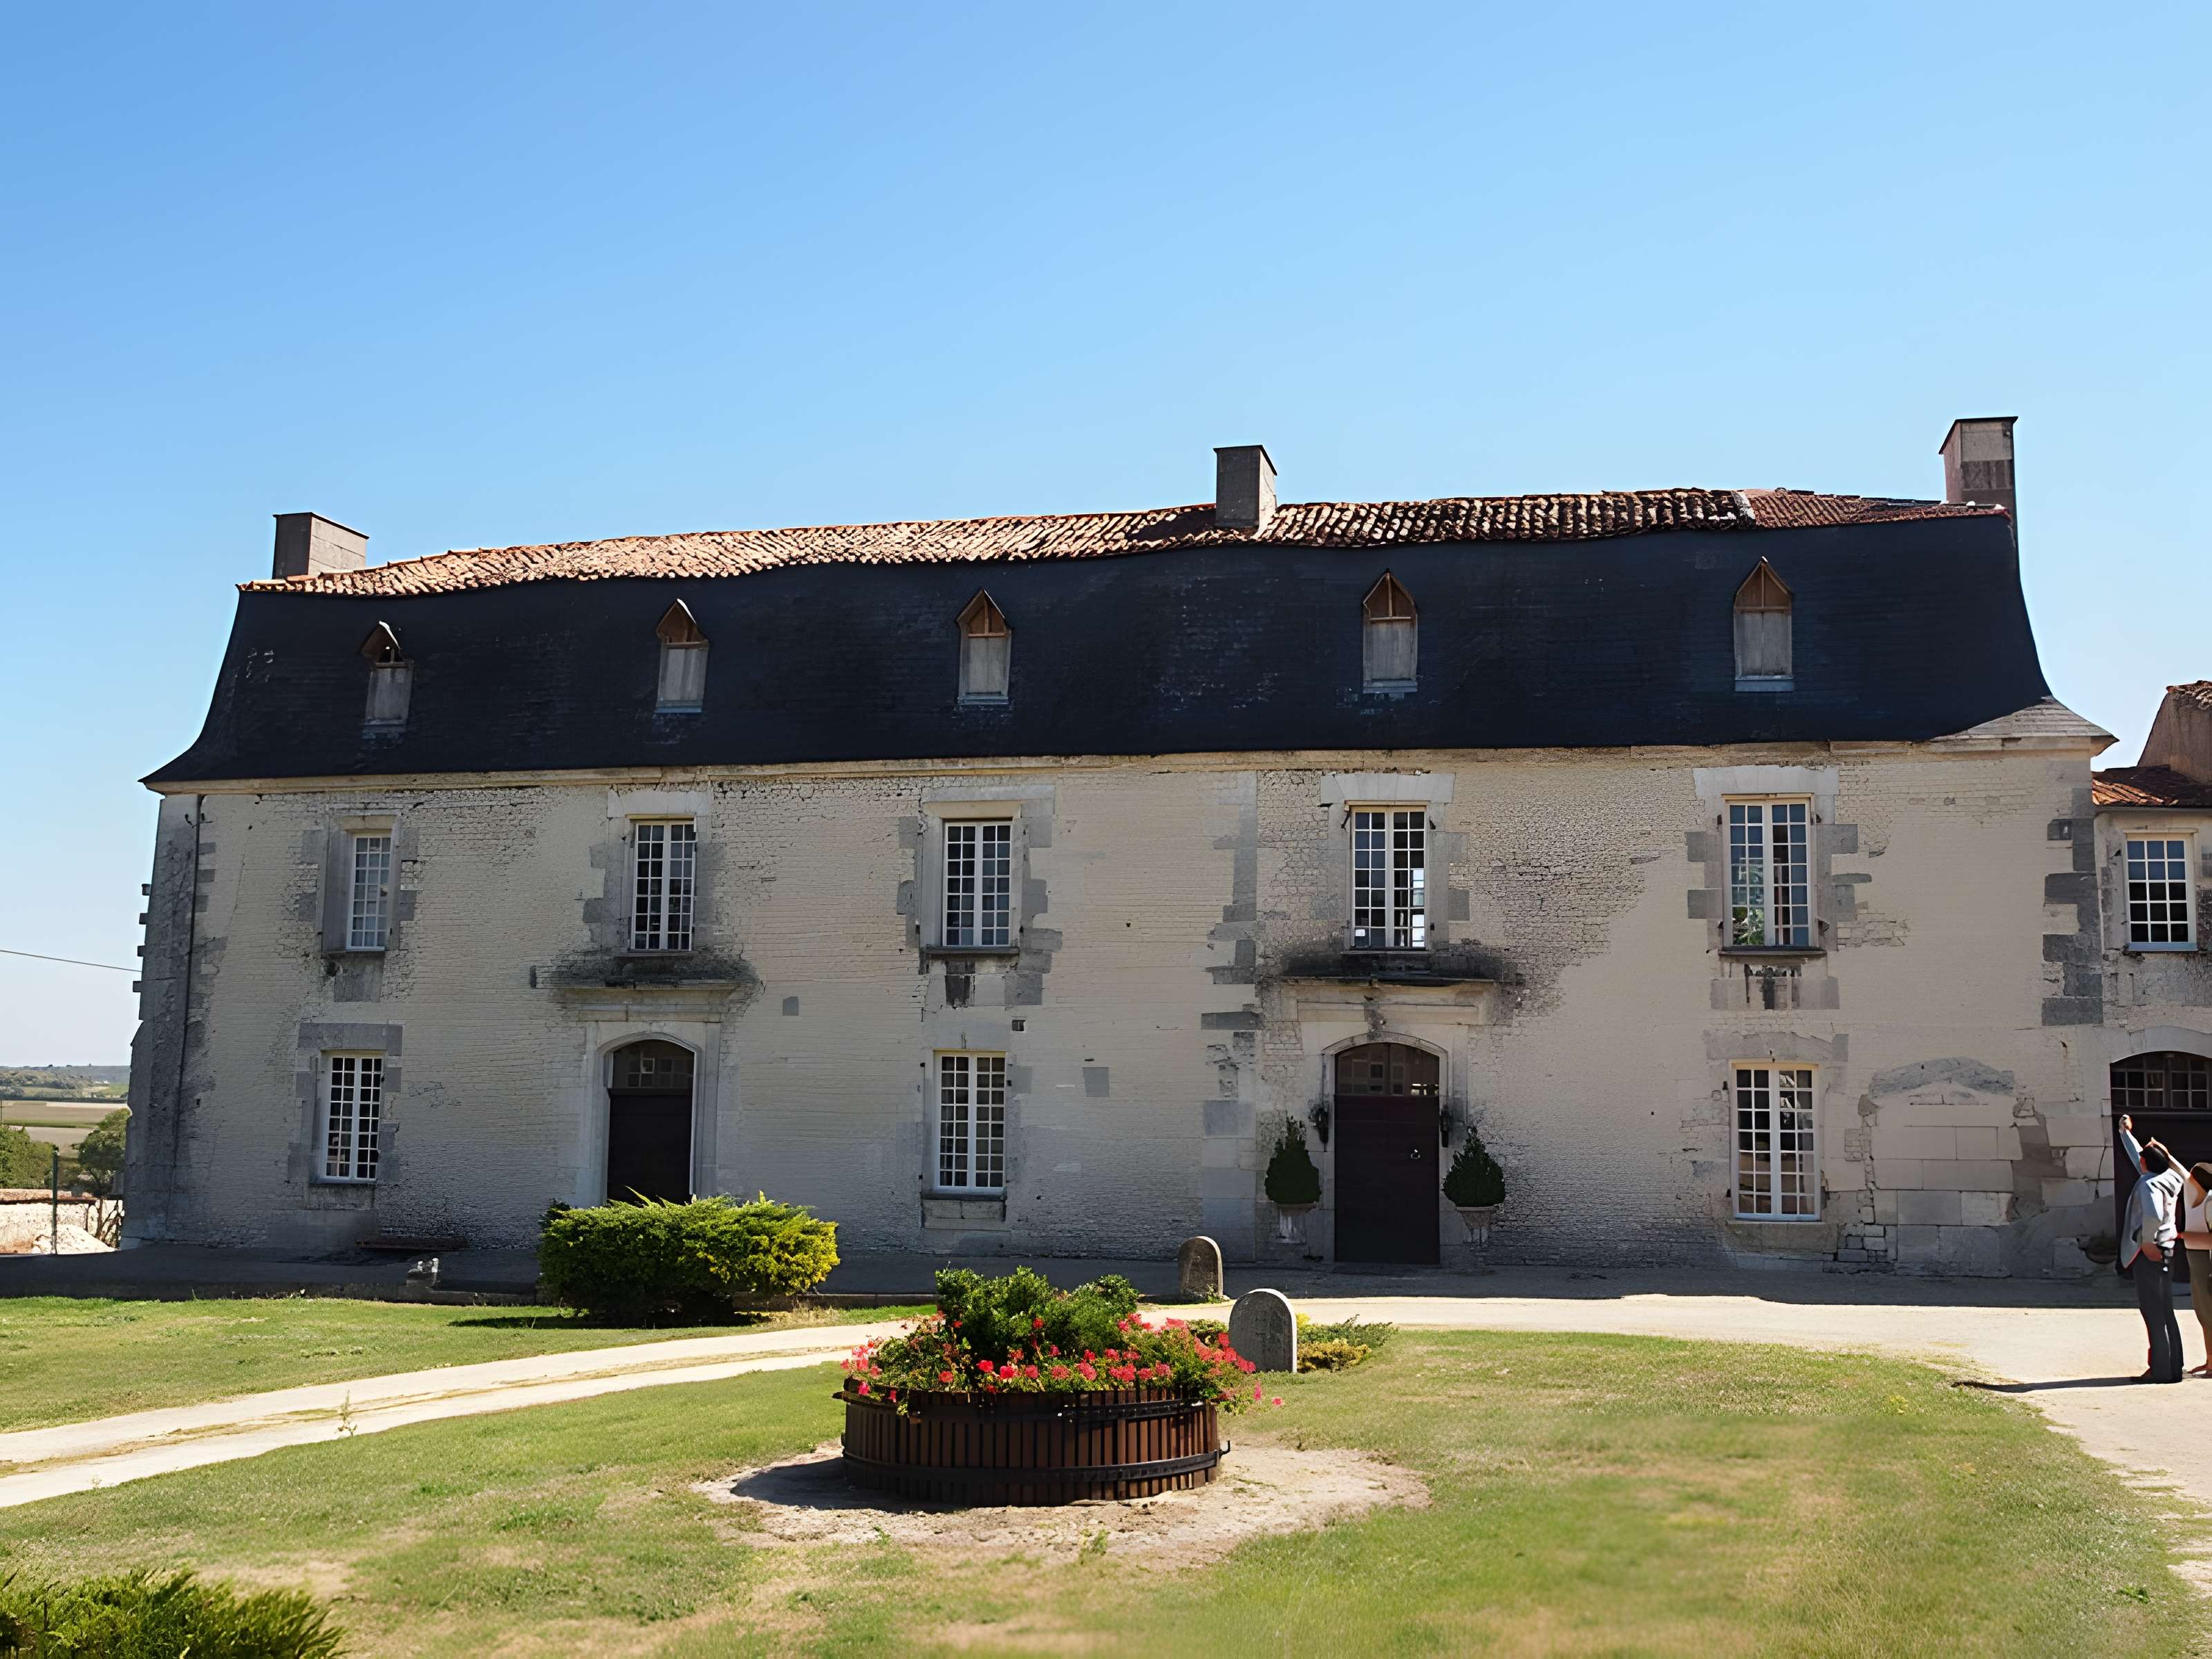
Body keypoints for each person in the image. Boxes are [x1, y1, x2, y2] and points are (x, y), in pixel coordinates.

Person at [2119, 1114, 2186, 1384]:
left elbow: (2154, 1216)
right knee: (2165, 1310)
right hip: (2168, 1248)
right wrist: (2126, 1134)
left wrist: (2147, 1243)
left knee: (2152, 1311)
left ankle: (2160, 1370)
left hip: (2151, 1251)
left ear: (2147, 1164)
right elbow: (2144, 1160)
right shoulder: (2170, 1178)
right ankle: (2172, 1367)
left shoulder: (2148, 1184)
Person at [2180, 1159, 2212, 1377]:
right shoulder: (2199, 1198)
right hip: (2199, 1261)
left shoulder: (2210, 1202)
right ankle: (2210, 1361)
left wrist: (2181, 1236)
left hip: (2208, 1263)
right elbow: (2179, 1170)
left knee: (2209, 1314)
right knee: (2203, 1314)